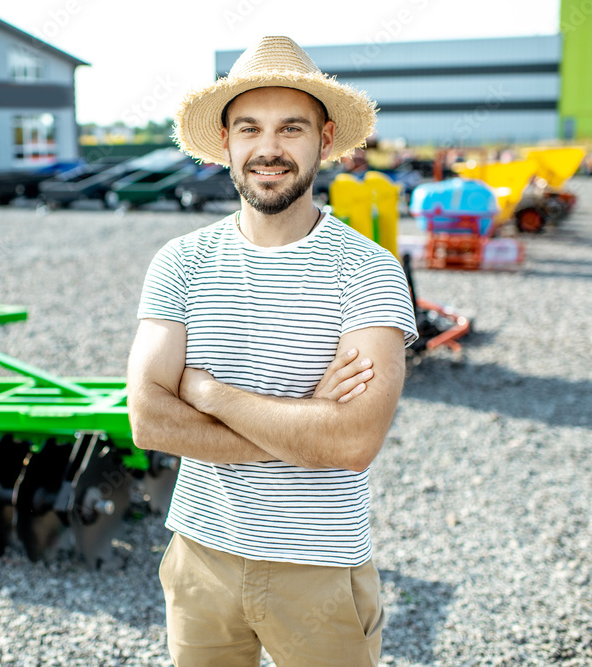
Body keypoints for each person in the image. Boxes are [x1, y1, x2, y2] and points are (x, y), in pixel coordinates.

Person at [127, 36, 418, 666]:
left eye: (292, 128)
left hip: (319, 567)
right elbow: (148, 420)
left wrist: (208, 394)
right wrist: (302, 428)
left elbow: (351, 443)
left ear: (326, 138)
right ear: (226, 142)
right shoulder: (181, 263)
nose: (269, 148)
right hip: (200, 553)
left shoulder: (367, 272)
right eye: (250, 128)